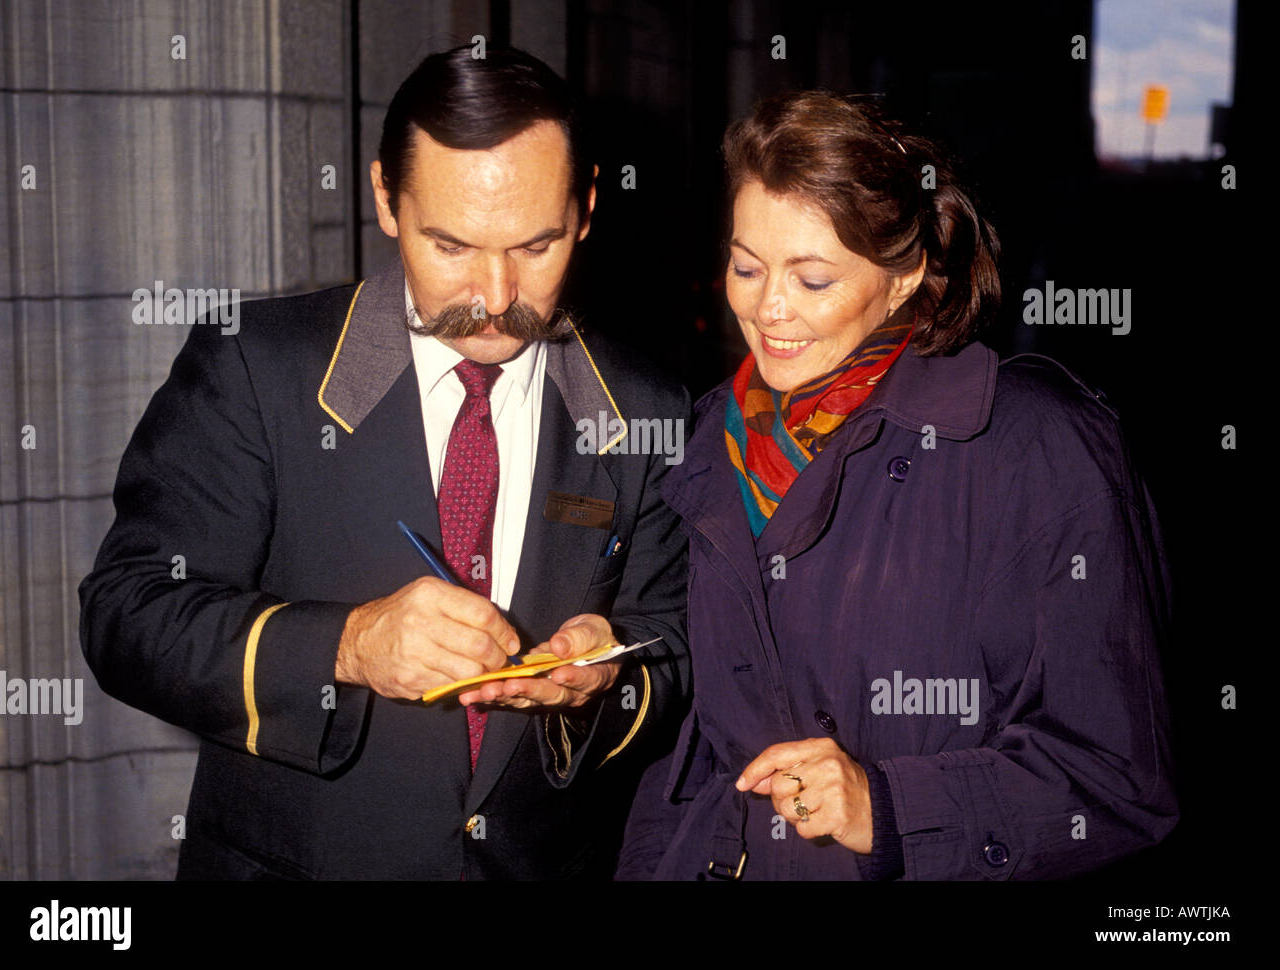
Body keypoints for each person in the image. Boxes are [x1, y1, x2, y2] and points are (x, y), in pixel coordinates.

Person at [78, 44, 690, 880]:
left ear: (586, 208)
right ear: (386, 201)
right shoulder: (259, 370)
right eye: (452, 246)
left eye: (537, 245)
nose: (497, 296)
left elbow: (678, 649)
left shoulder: (645, 406)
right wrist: (349, 644)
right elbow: (127, 618)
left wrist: (600, 674)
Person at [616, 91, 1177, 880]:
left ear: (907, 276)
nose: (766, 306)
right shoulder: (712, 437)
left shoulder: (1037, 448)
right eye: (746, 266)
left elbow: (1119, 782)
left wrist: (888, 809)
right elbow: (703, 748)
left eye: (812, 280)